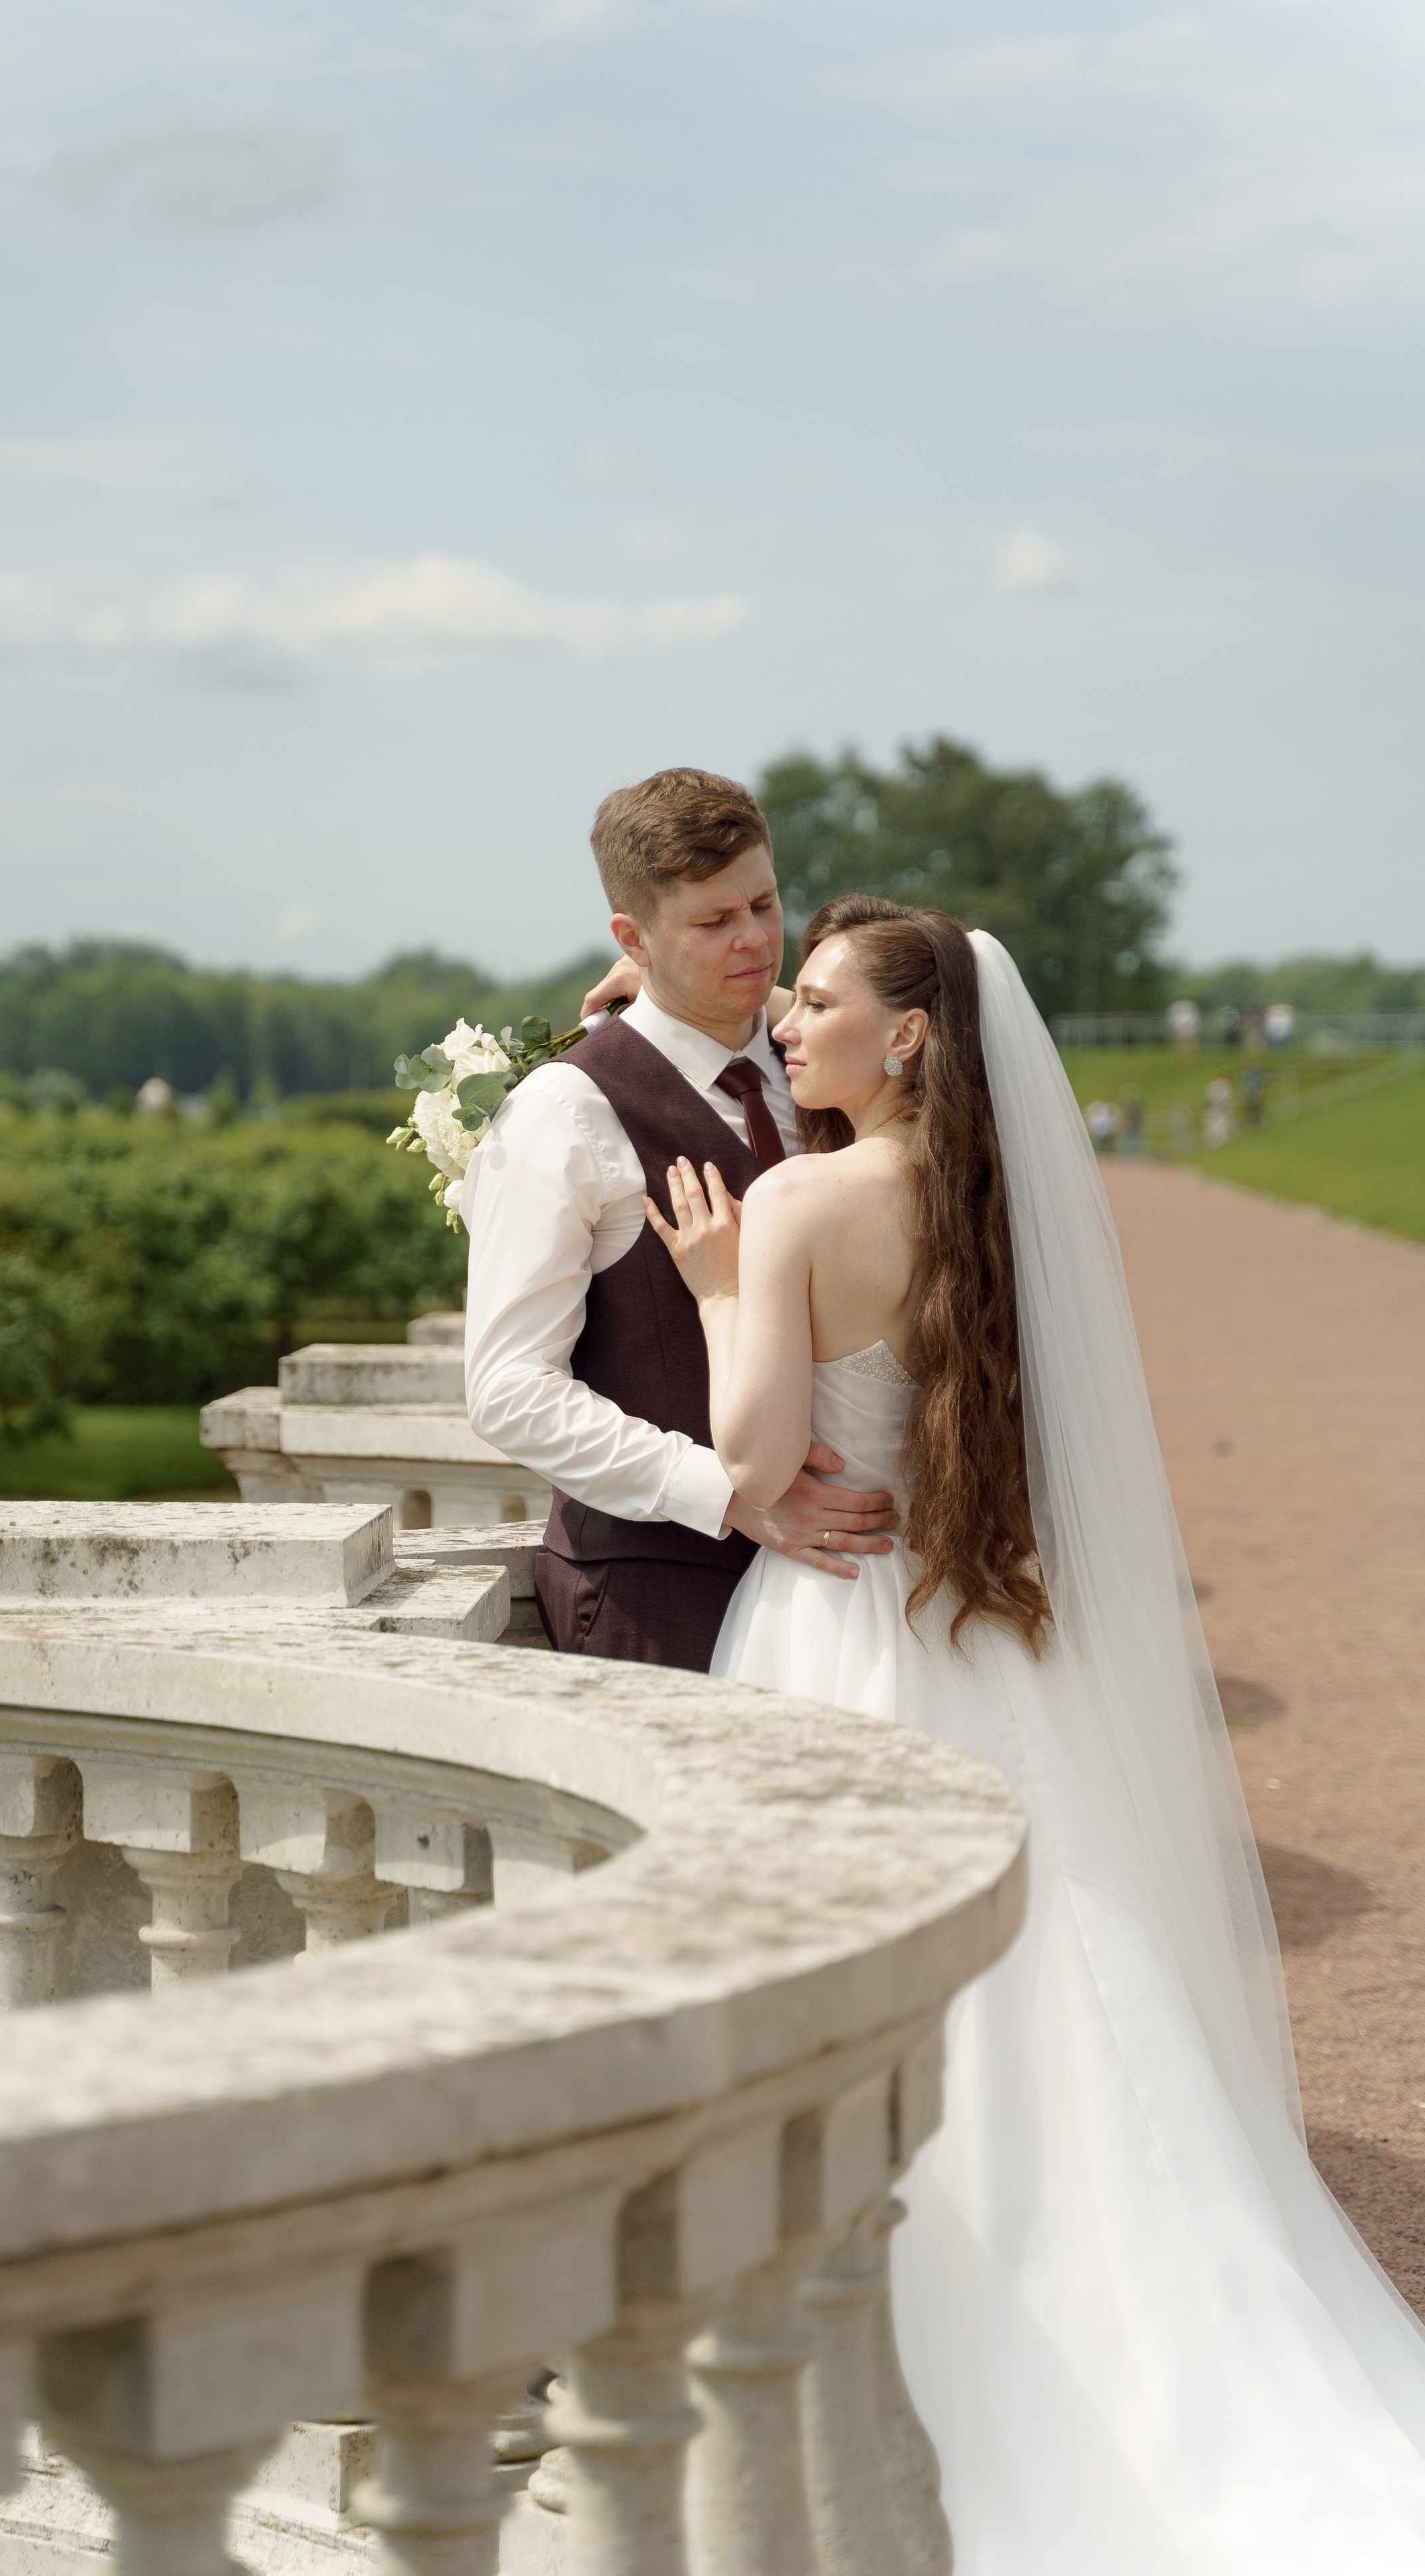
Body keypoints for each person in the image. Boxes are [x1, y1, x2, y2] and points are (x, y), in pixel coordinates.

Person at [639, 890, 1425, 2571]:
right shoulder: (998, 1210)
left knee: (844, 1990)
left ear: (906, 1033)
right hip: (983, 1634)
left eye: (818, 996)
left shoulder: (789, 1205)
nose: (786, 1015)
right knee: (1067, 1974)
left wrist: (716, 1288)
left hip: (837, 1638)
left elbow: (757, 1460)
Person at [460, 768, 898, 1670]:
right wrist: (726, 1494)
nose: (755, 942)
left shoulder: (827, 1067)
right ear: (632, 937)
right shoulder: (564, 1112)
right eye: (711, 922)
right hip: (661, 1595)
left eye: (765, 905)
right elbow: (506, 1389)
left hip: (863, 1597)